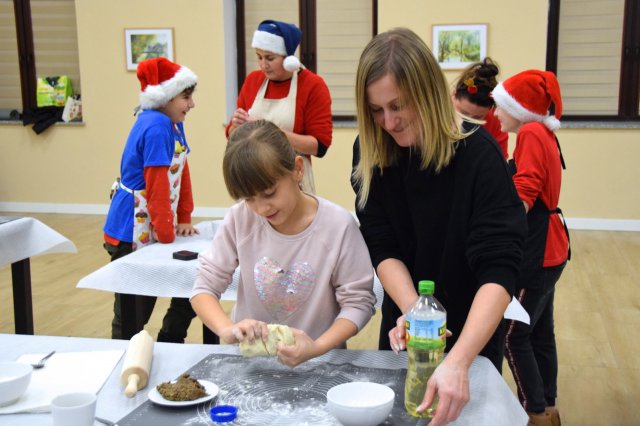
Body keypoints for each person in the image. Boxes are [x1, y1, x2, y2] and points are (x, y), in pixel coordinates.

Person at [350, 28, 527, 425]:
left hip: (472, 335)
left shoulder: (479, 156)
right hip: (407, 324)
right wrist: (416, 313)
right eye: (377, 110)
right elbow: (382, 244)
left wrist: (460, 360)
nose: (389, 122)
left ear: (428, 93)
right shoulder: (371, 151)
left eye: (399, 106)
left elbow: (500, 268)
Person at [191, 119, 375, 368]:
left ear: (297, 169)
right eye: (249, 199)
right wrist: (227, 329)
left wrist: (316, 347)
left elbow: (358, 304)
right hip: (251, 365)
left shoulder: (338, 226)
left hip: (321, 364)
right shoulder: (240, 219)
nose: (261, 208)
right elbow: (203, 288)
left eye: (269, 193)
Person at [492, 70, 570, 426]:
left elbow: (525, 191)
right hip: (552, 249)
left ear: (520, 109)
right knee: (540, 332)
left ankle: (535, 413)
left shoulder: (532, 133)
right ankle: (548, 407)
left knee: (513, 334)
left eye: (501, 107)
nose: (496, 114)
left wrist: (496, 230)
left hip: (537, 251)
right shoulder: (544, 133)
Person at [103, 57, 199, 342]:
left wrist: (183, 217)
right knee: (133, 312)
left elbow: (181, 172)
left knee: (188, 287)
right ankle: (122, 360)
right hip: (131, 229)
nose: (191, 104)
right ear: (166, 97)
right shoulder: (157, 126)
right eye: (186, 96)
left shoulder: (172, 121)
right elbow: (157, 186)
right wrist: (167, 234)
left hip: (156, 223)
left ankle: (170, 341)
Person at [225, 19, 333, 194]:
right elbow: (232, 136)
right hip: (252, 176)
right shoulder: (253, 81)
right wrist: (236, 126)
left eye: (270, 58)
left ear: (288, 58)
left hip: (291, 177)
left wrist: (269, 131)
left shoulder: (313, 85)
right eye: (259, 57)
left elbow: (319, 146)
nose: (263, 65)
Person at [451, 57, 509, 159]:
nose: (469, 121)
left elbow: (498, 161)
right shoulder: (436, 113)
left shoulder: (496, 121)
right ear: (453, 94)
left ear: (490, 110)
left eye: (477, 118)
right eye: (463, 113)